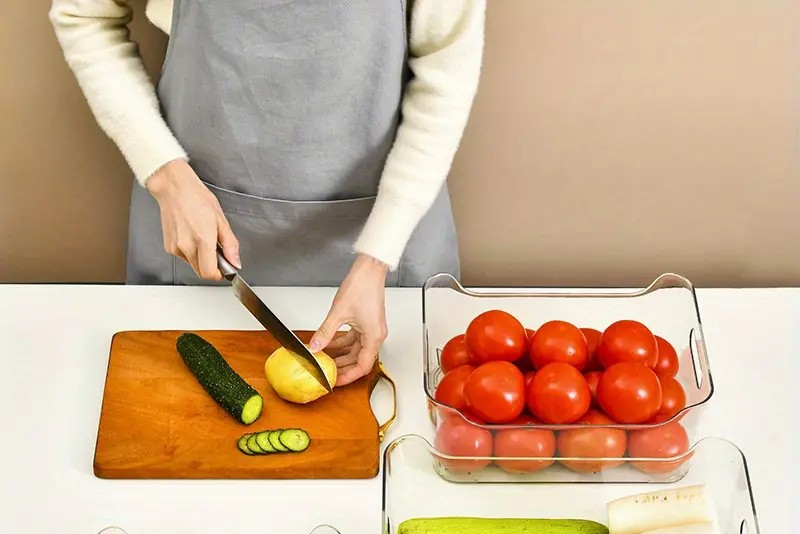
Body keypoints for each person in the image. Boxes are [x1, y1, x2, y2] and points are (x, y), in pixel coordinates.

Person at [50, 0, 486, 385]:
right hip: (197, 239)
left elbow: (446, 70)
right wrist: (167, 177)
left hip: (387, 252)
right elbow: (83, 15)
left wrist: (377, 257)